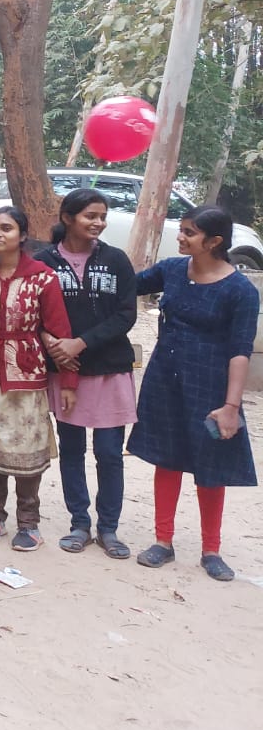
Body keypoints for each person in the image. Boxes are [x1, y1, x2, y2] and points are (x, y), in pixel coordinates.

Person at [129, 205, 259, 582]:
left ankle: (211, 550)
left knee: (211, 466)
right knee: (166, 459)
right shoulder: (171, 270)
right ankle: (163, 541)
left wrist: (231, 405)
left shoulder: (240, 291)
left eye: (189, 232)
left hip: (212, 387)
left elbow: (240, 350)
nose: (181, 237)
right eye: (182, 229)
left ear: (214, 241)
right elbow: (127, 286)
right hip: (164, 380)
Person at [0, 206, 76, 552]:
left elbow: (60, 330)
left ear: (22, 235)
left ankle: (29, 523)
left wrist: (69, 381)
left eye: (6, 228)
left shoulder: (43, 277)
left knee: (26, 452)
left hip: (27, 375)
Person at [34, 189, 138, 558]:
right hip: (66, 374)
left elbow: (126, 314)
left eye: (102, 216)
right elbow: (32, 310)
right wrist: (50, 341)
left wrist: (80, 343)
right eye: (90, 216)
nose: (98, 223)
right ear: (68, 218)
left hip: (109, 371)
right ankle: (79, 523)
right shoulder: (43, 261)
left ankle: (109, 528)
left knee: (109, 453)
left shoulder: (116, 259)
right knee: (72, 449)